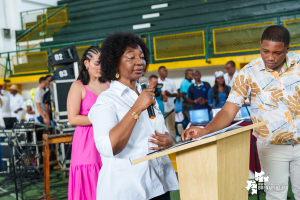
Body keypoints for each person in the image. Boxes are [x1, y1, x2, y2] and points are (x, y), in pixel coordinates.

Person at [181, 25, 300, 200]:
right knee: (276, 195)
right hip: (271, 147)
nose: (270, 58)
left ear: (287, 49)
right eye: (265, 51)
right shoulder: (248, 73)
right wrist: (205, 130)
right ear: (260, 44)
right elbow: (229, 110)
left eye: (277, 53)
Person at [88, 32, 178, 200]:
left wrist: (169, 141)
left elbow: (160, 133)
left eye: (142, 57)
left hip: (159, 184)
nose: (140, 62)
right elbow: (109, 147)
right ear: (114, 62)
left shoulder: (146, 95)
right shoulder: (106, 101)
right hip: (128, 189)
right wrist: (136, 108)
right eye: (131, 57)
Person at [67, 46, 109, 200]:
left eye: (103, 63)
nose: (101, 67)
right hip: (87, 141)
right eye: (97, 63)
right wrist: (102, 118)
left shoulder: (109, 84)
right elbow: (73, 118)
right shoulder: (78, 86)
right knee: (91, 180)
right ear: (86, 63)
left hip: (107, 137)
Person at [158, 66, 177, 139]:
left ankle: (173, 144)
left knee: (171, 127)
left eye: (166, 70)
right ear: (159, 72)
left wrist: (169, 94)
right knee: (161, 128)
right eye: (164, 71)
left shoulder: (170, 81)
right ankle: (164, 146)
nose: (166, 72)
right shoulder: (157, 82)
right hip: (160, 109)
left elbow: (176, 94)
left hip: (170, 108)